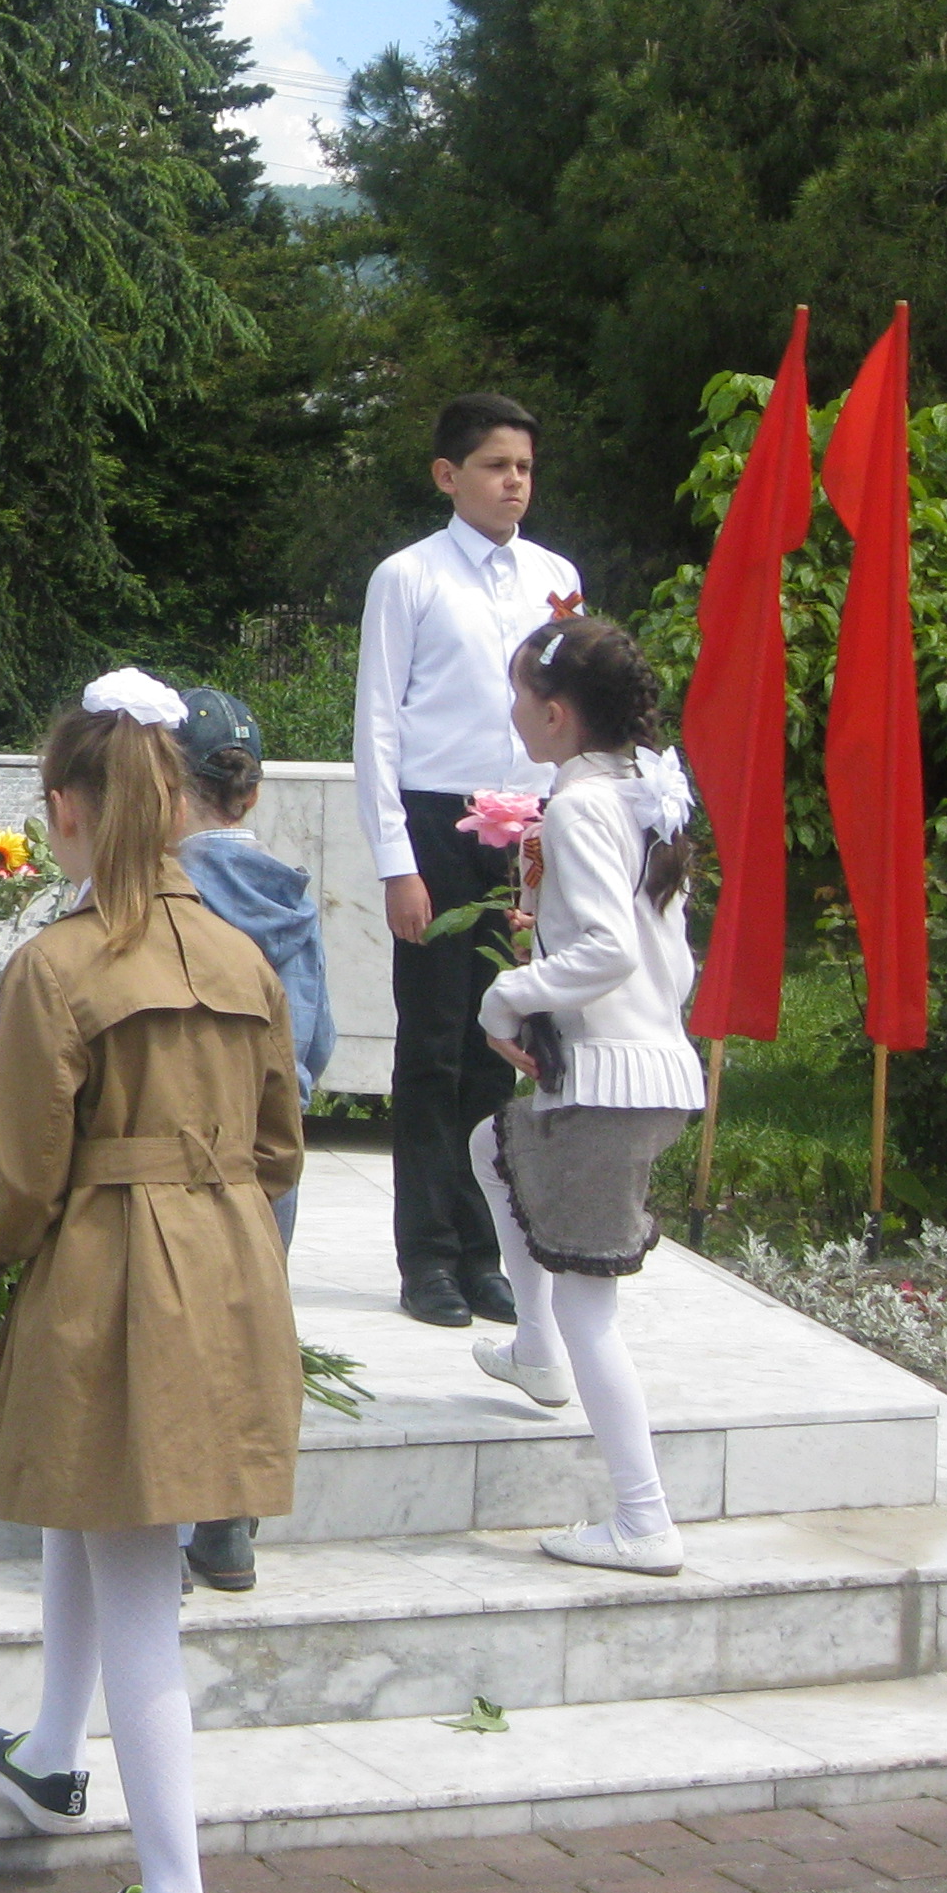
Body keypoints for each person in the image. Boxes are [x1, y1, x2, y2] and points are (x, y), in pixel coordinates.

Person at [0, 670, 304, 1893]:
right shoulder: (237, 949)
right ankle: (53, 1752)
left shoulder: (55, 966)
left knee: (141, 1586)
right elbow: (281, 1145)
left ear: (66, 808)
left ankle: (174, 1889)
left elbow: (21, 1171)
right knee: (91, 1501)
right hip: (225, 1260)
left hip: (112, 1267)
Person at [468, 614, 705, 1576]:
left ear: (556, 714)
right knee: (493, 1151)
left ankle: (644, 1521)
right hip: (650, 1073)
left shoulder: (577, 808)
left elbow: (604, 951)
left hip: (610, 1084)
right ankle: (532, 1350)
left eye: (520, 692)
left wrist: (511, 991)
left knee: (589, 1309)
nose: (513, 708)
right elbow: (662, 960)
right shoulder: (645, 794)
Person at [353, 390, 583, 1329]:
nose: (514, 483)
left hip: (531, 832)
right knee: (436, 1045)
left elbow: (575, 711)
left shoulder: (556, 577)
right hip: (439, 826)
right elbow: (377, 724)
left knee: (507, 1044)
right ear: (450, 476)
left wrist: (568, 838)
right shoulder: (407, 578)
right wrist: (396, 862)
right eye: (495, 466)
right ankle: (429, 1257)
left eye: (525, 466)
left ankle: (488, 1250)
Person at [167, 682, 333, 1594]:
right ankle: (230, 1530)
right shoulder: (289, 897)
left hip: (176, 1155)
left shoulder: (164, 890)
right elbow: (320, 1039)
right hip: (272, 1158)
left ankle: (151, 1524)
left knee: (171, 1332)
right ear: (253, 793)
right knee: (249, 1333)